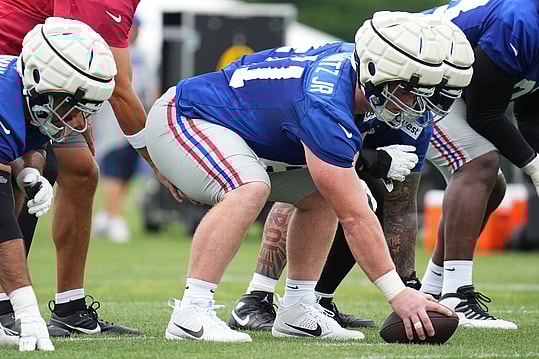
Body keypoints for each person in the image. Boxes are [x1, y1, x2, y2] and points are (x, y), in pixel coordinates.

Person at [145, 11, 454, 343]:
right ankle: (192, 310)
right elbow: (354, 217)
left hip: (238, 133)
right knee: (251, 188)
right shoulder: (325, 102)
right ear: (380, 76)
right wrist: (397, 292)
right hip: (185, 115)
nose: (416, 104)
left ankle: (297, 307)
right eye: (409, 90)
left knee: (321, 194)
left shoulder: (355, 68)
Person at [227, 14, 475, 332]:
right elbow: (315, 158)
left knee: (365, 203)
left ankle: (317, 300)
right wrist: (372, 161)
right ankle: (256, 297)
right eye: (417, 88)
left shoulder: (415, 113)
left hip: (332, 147)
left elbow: (400, 205)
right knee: (310, 189)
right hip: (270, 141)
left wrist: (409, 287)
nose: (423, 102)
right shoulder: (336, 78)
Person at [0, 0, 178, 336]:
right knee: (14, 178)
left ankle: (70, 307)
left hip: (41, 77)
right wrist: (162, 166)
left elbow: (84, 68)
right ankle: (6, 306)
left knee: (82, 171)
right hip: (15, 71)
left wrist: (81, 117)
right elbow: (120, 91)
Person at [419, 0, 539, 330]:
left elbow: (529, 117)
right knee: (480, 164)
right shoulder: (521, 22)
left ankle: (432, 290)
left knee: (493, 185)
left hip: (445, 87)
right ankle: (456, 295)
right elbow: (484, 114)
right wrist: (534, 168)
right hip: (411, 79)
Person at [0, 17, 117, 350]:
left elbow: (30, 147)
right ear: (41, 80)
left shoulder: (30, 93)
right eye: (74, 107)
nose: (79, 122)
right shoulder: (6, 104)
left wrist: (27, 174)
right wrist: (26, 309)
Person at [92, 16, 156, 242]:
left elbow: (150, 88)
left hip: (135, 122)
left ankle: (107, 215)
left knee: (127, 173)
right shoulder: (106, 52)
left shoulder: (141, 56)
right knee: (113, 172)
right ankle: (115, 217)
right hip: (112, 125)